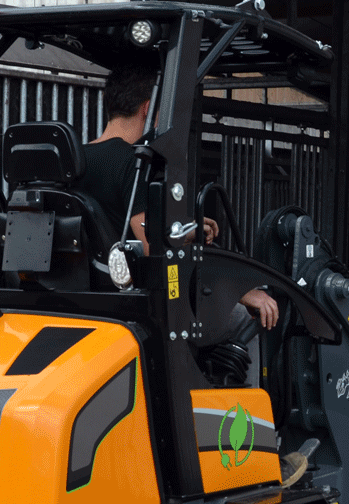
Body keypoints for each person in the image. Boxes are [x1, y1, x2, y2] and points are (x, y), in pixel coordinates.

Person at [85, 62, 280, 329]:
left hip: (91, 294)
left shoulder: (77, 160)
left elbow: (121, 223)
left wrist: (186, 232)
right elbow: (154, 248)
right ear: (148, 108)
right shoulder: (133, 162)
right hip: (137, 301)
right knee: (245, 318)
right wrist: (240, 290)